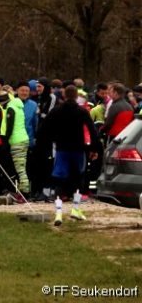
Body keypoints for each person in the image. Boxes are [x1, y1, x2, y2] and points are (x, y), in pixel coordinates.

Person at [38, 85, 100, 226]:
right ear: (76, 96)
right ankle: (75, 209)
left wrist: (48, 142)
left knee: (59, 179)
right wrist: (94, 148)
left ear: (64, 95)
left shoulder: (56, 111)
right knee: (79, 177)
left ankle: (59, 212)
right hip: (78, 149)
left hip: (62, 149)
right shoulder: (82, 111)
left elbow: (43, 129)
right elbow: (92, 130)